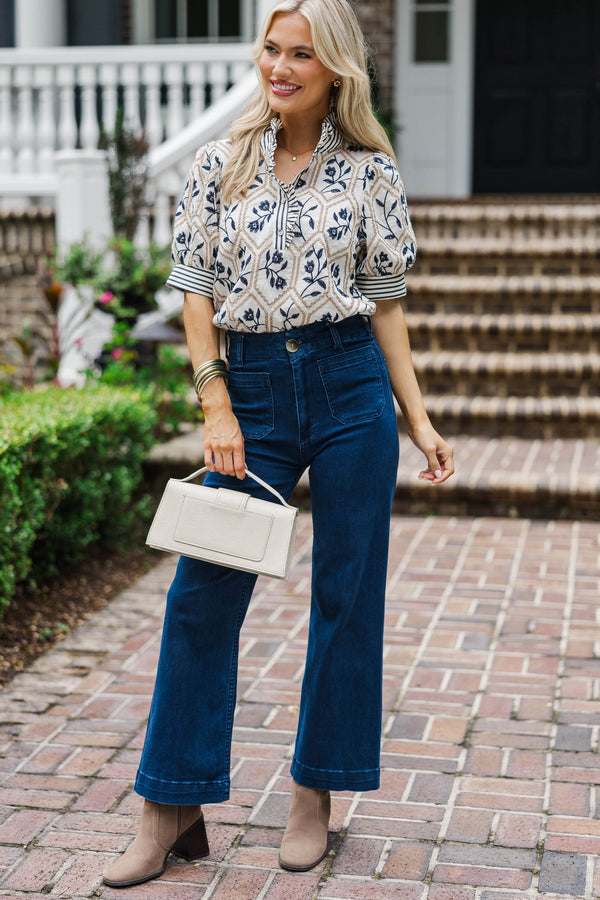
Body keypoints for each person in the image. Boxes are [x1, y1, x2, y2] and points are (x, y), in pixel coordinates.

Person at [103, 0, 454, 888]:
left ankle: (314, 797)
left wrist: (416, 416)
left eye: (302, 53)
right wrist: (215, 404)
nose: (282, 66)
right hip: (250, 393)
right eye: (272, 48)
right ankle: (169, 805)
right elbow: (194, 291)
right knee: (199, 597)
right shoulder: (221, 163)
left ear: (335, 67)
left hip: (347, 389)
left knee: (346, 599)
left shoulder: (372, 173)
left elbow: (384, 303)